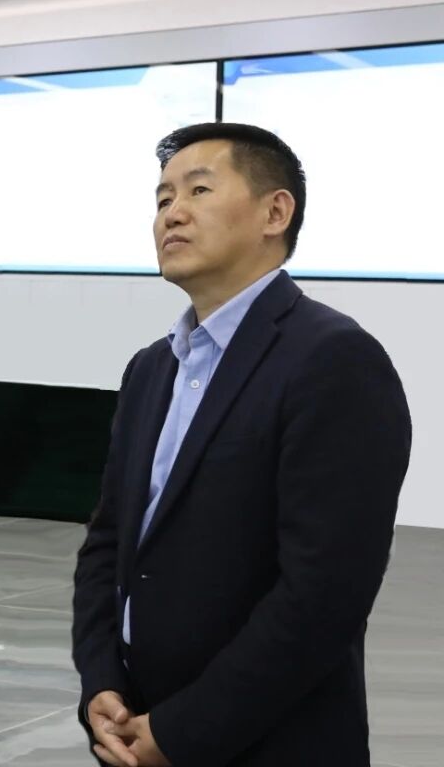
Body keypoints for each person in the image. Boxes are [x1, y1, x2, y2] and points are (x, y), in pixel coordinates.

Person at [71, 122, 412, 767]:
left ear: (275, 213)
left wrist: (184, 731)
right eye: (163, 197)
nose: (172, 212)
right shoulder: (151, 369)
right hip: (134, 726)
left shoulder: (334, 360)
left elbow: (324, 594)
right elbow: (109, 542)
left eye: (198, 190)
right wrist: (101, 681)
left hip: (268, 741)